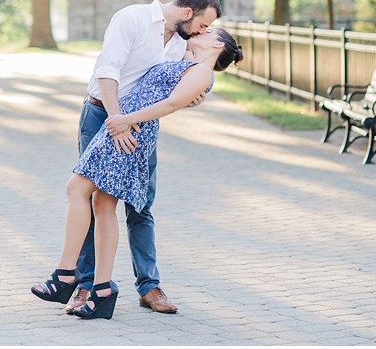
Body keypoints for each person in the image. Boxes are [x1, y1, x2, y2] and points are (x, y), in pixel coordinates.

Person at [31, 27, 244, 319]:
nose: (200, 30)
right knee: (102, 204)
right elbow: (179, 41)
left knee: (75, 189)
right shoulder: (191, 64)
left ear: (217, 43)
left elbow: (171, 104)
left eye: (207, 30)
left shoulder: (203, 73)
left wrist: (124, 120)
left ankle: (65, 276)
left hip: (128, 130)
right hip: (128, 128)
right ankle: (102, 290)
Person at [70, 0, 222, 315]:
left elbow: (182, 86)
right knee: (94, 200)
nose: (203, 31)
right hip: (101, 114)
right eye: (203, 24)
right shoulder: (133, 19)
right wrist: (117, 121)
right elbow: (106, 73)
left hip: (141, 128)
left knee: (141, 203)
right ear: (187, 13)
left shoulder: (182, 42)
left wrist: (197, 97)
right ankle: (84, 285)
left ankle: (149, 286)